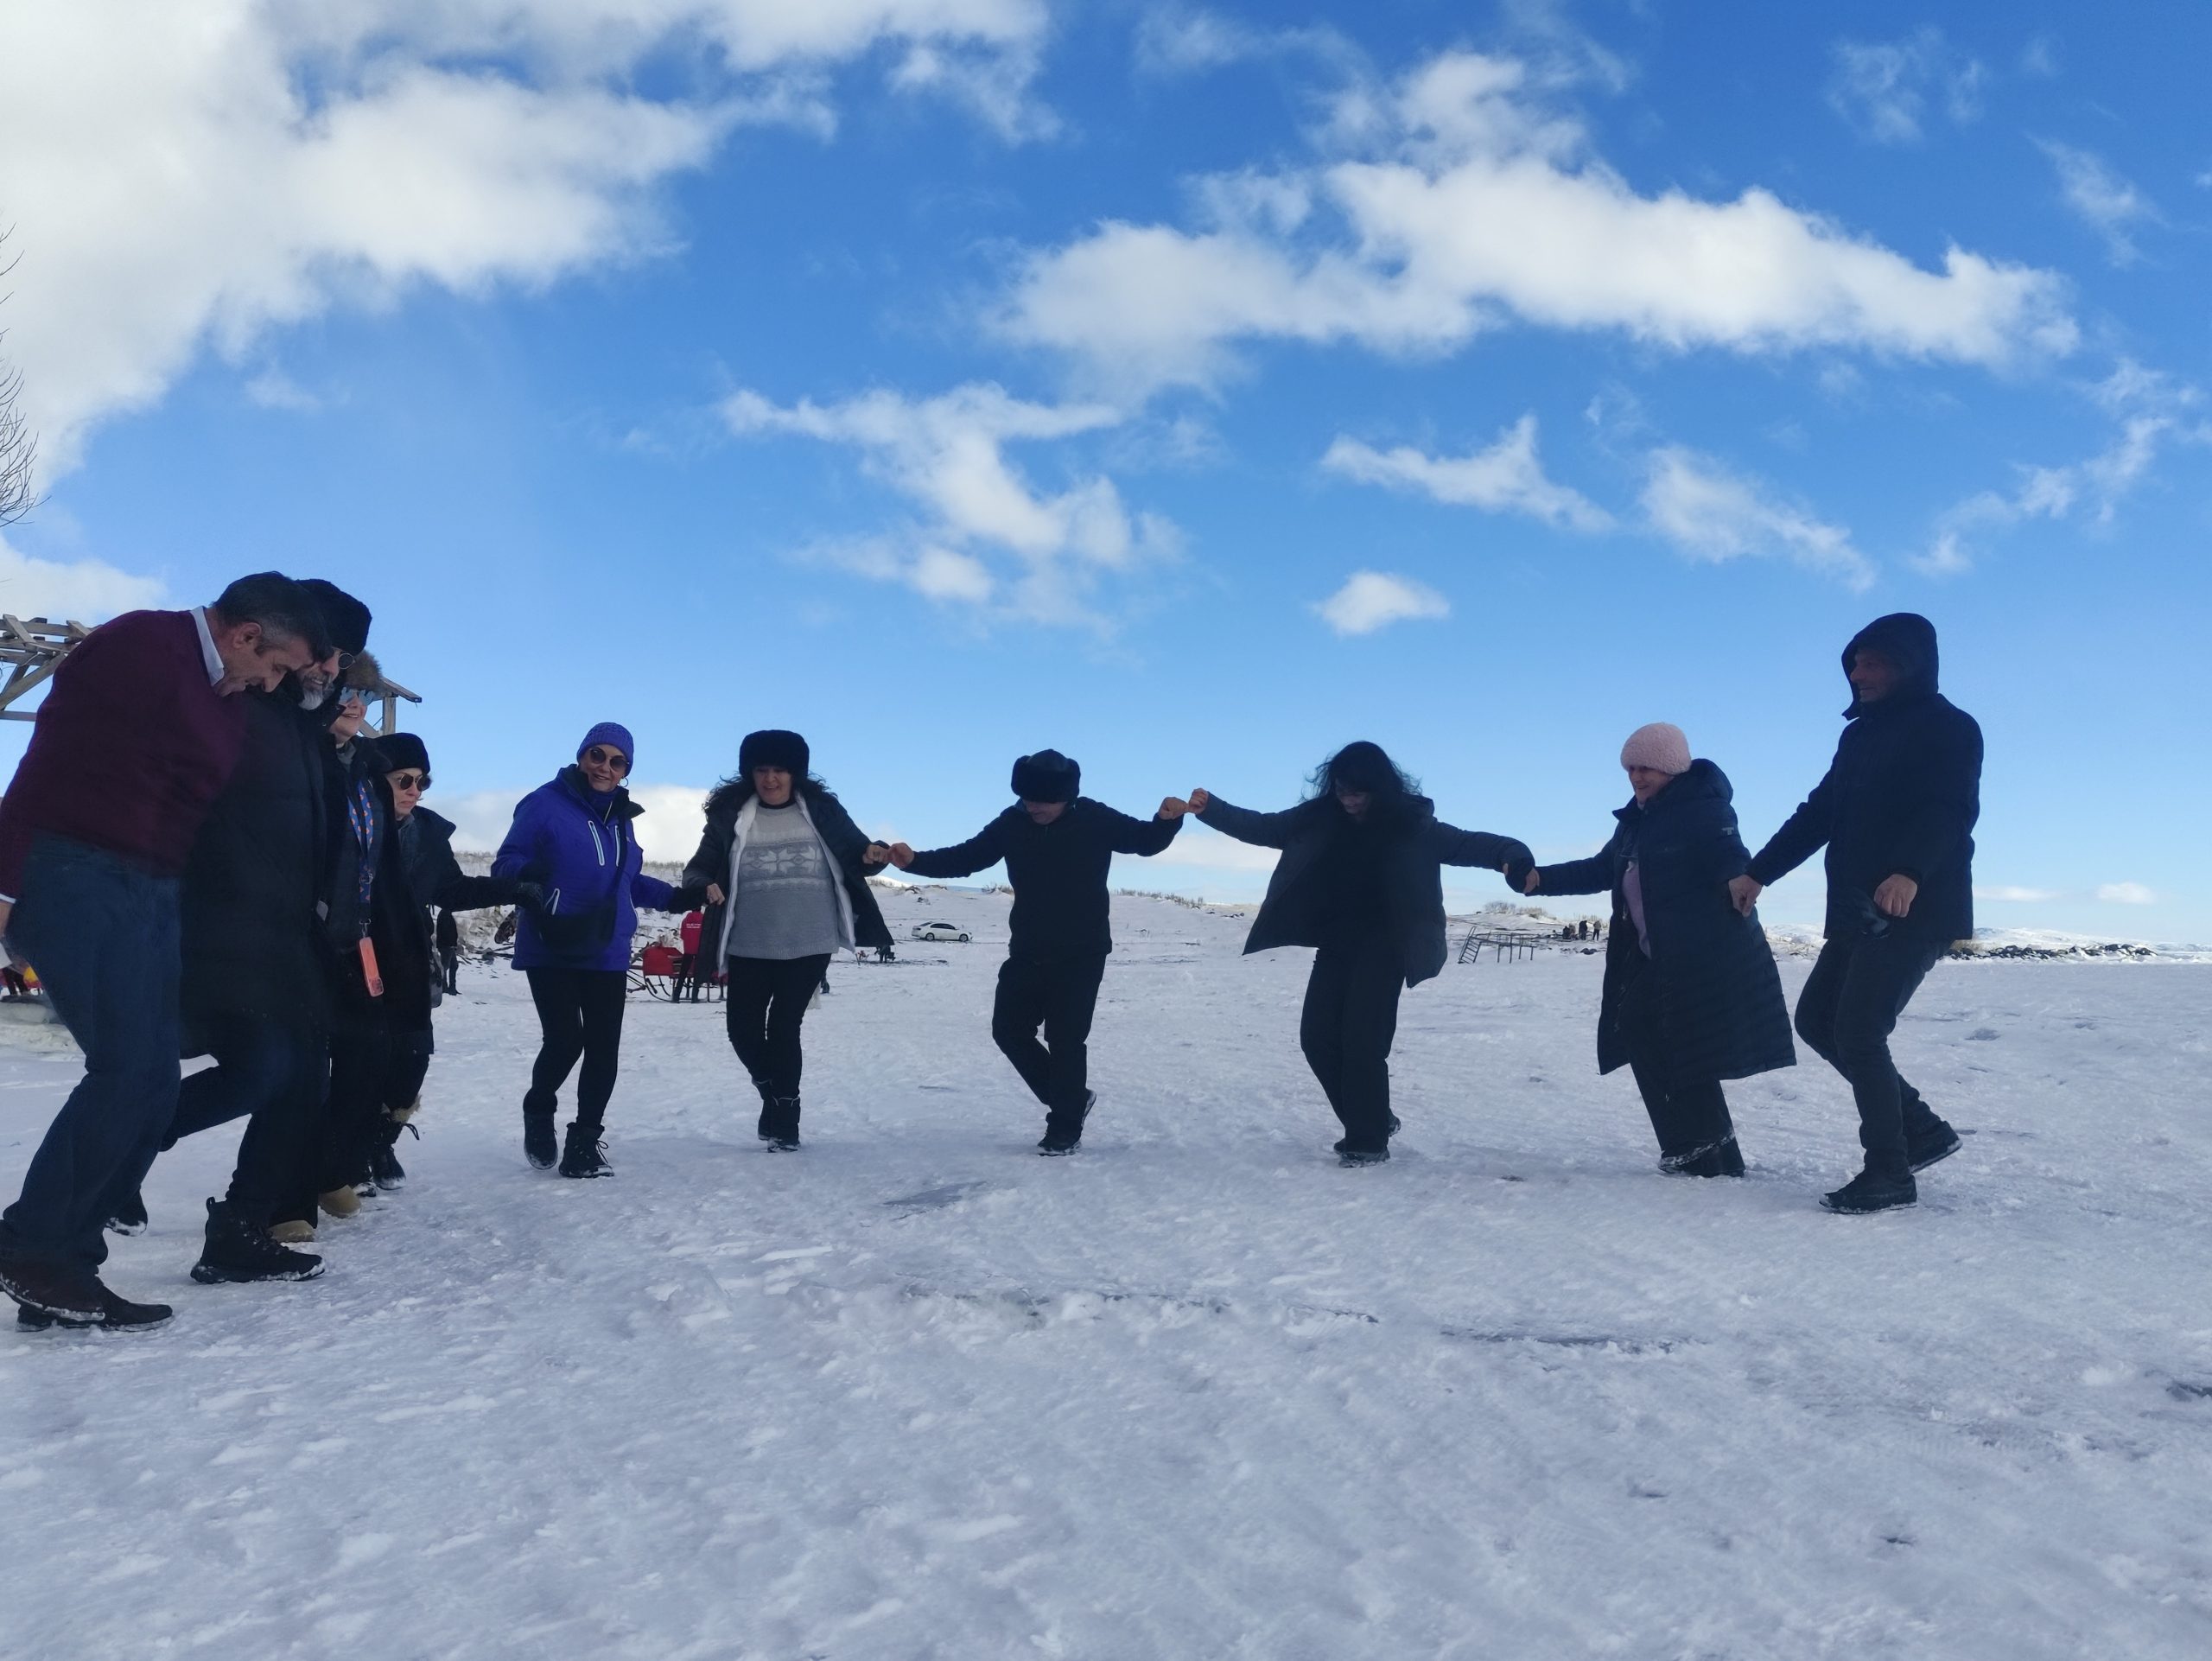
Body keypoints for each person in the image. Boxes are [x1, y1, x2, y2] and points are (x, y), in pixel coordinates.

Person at [0, 573, 325, 1329]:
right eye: (275, 667)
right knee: (132, 1069)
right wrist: (7, 880)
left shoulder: (228, 698)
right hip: (74, 870)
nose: (273, 683)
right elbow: (47, 761)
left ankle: (61, 1262)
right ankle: (36, 1249)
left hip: (153, 888)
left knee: (149, 1080)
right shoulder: (143, 646)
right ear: (246, 636)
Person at [149, 581, 374, 1283]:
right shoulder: (236, 710)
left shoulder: (299, 732)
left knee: (294, 1081)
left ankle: (241, 1224)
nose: (332, 671)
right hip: (223, 935)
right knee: (260, 1073)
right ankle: (98, 1174)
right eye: (329, 654)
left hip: (286, 942)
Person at [1729, 614, 1981, 1214]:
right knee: (1819, 1020)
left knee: (1860, 1030)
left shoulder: (1950, 727)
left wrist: (1910, 871)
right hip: (1856, 908)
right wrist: (1759, 870)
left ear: (1909, 663)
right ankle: (1918, 1127)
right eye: (1853, 664)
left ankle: (1890, 1171)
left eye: (1872, 663)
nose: (1858, 674)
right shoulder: (1859, 737)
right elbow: (1820, 812)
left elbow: (1950, 810)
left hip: (1916, 905)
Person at [1175, 742, 1531, 1165]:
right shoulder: (1319, 819)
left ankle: (1367, 1140)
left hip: (1387, 946)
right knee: (1316, 1039)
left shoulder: (1413, 827)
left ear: (1381, 789)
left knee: (1363, 1041)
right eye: (1342, 790)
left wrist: (1514, 857)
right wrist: (1211, 809)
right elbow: (1265, 828)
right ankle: (1375, 1118)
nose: (1348, 800)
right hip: (1337, 943)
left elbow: (1476, 844)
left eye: (1358, 793)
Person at [1516, 723, 1794, 1178]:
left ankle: (1695, 1141)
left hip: (1703, 953)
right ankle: (1708, 1149)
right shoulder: (1635, 824)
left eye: (1646, 768)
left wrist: (1739, 879)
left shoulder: (1702, 809)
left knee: (1645, 1023)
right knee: (1666, 1034)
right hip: (1659, 956)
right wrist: (1538, 880)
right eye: (1630, 768)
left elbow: (1729, 850)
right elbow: (1600, 869)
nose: (1636, 777)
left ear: (1672, 767)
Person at [887, 749, 1185, 1154]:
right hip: (1027, 949)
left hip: (1082, 952)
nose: (1034, 807)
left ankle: (1063, 1127)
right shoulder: (1013, 822)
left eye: (1044, 800)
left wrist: (1167, 820)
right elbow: (968, 857)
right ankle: (1072, 1099)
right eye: (1028, 798)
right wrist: (915, 862)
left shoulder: (1095, 818)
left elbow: (1143, 841)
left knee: (1066, 1040)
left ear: (1068, 796)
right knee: (1008, 1031)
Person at [310, 729, 530, 1212]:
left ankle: (376, 1144)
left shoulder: (427, 833)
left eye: (422, 781)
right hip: (349, 964)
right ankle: (338, 1162)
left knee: (411, 1062)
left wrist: (515, 889)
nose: (414, 789)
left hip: (406, 968)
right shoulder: (350, 822)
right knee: (356, 1067)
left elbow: (451, 890)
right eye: (403, 779)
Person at [678, 729, 893, 1151]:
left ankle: (787, 1111)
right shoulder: (730, 815)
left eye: (780, 770)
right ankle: (771, 1095)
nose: (770, 779)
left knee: (783, 1026)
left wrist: (875, 852)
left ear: (796, 773)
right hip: (747, 941)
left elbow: (859, 854)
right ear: (749, 773)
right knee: (741, 1031)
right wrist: (705, 885)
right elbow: (697, 868)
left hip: (810, 938)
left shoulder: (822, 811)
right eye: (762, 770)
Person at [493, 723, 683, 1177]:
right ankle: (539, 1109)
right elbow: (506, 860)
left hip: (606, 947)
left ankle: (584, 1144)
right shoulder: (543, 803)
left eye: (617, 762)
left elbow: (629, 882)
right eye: (597, 755)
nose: (605, 767)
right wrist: (530, 878)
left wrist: (678, 897)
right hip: (552, 942)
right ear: (582, 756)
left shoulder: (622, 819)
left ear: (625, 771)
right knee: (565, 1039)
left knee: (603, 1048)